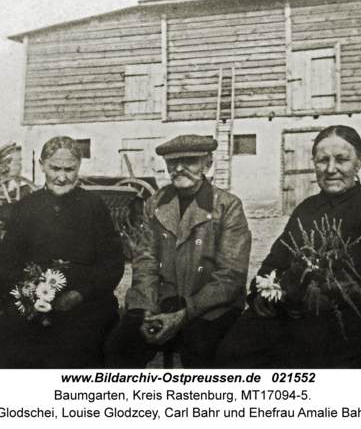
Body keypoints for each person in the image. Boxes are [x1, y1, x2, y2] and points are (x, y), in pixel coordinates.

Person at [216, 125, 361, 368]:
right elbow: (275, 261)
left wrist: (325, 298)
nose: (331, 169)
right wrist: (262, 291)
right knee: (231, 351)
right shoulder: (307, 208)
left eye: (342, 160)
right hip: (294, 309)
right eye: (322, 160)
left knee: (292, 358)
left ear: (359, 162)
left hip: (349, 315)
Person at [104, 134, 251, 368]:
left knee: (200, 349)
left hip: (210, 306)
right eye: (172, 162)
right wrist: (146, 311)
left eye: (189, 161)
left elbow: (231, 276)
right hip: (162, 300)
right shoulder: (156, 203)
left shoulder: (227, 205)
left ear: (207, 164)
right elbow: (145, 262)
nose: (179, 168)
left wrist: (183, 315)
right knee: (119, 345)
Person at [0, 136, 125, 369]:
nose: (62, 176)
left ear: (78, 168)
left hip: (86, 304)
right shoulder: (26, 207)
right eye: (55, 168)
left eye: (69, 169)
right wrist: (31, 295)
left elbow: (112, 264)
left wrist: (80, 293)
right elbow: (5, 265)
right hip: (35, 302)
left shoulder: (94, 206)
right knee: (10, 340)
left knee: (80, 345)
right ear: (42, 165)